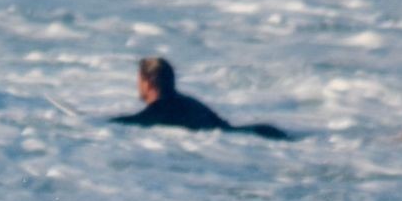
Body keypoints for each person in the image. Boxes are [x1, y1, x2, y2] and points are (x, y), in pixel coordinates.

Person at [110, 57, 291, 141]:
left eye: (139, 80)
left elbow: (135, 122)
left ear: (148, 83)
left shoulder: (155, 112)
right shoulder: (192, 103)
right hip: (256, 133)